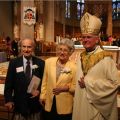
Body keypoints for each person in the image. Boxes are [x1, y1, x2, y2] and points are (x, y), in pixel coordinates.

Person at [72, 12, 120, 120]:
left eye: (89, 37)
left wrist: (89, 83)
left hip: (97, 110)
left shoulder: (106, 59)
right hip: (81, 105)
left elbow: (115, 84)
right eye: (83, 37)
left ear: (97, 39)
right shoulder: (80, 56)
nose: (85, 40)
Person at [4, 38, 45, 120]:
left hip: (35, 105)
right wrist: (9, 100)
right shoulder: (14, 63)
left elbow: (45, 82)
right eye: (24, 47)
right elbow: (8, 83)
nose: (26, 49)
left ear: (33, 48)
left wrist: (39, 90)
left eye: (29, 47)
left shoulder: (40, 63)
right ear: (21, 48)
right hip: (19, 105)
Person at [40, 38, 76, 120]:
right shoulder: (48, 62)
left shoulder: (74, 67)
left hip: (65, 105)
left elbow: (76, 86)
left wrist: (66, 88)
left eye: (65, 50)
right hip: (49, 101)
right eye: (60, 49)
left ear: (70, 52)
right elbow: (44, 81)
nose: (62, 52)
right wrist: (42, 96)